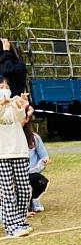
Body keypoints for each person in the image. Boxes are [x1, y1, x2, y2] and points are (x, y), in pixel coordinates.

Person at [0, 81, 33, 237]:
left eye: (7, 87)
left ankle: (20, 221)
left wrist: (22, 105)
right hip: (2, 155)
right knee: (7, 192)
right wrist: (3, 104)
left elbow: (22, 119)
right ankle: (11, 226)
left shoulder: (13, 105)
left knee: (25, 189)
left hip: (19, 151)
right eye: (1, 88)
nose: (5, 90)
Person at [24, 121, 49, 213]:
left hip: (31, 171)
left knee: (41, 181)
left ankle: (34, 199)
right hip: (15, 172)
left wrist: (44, 160)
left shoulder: (34, 138)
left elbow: (44, 155)